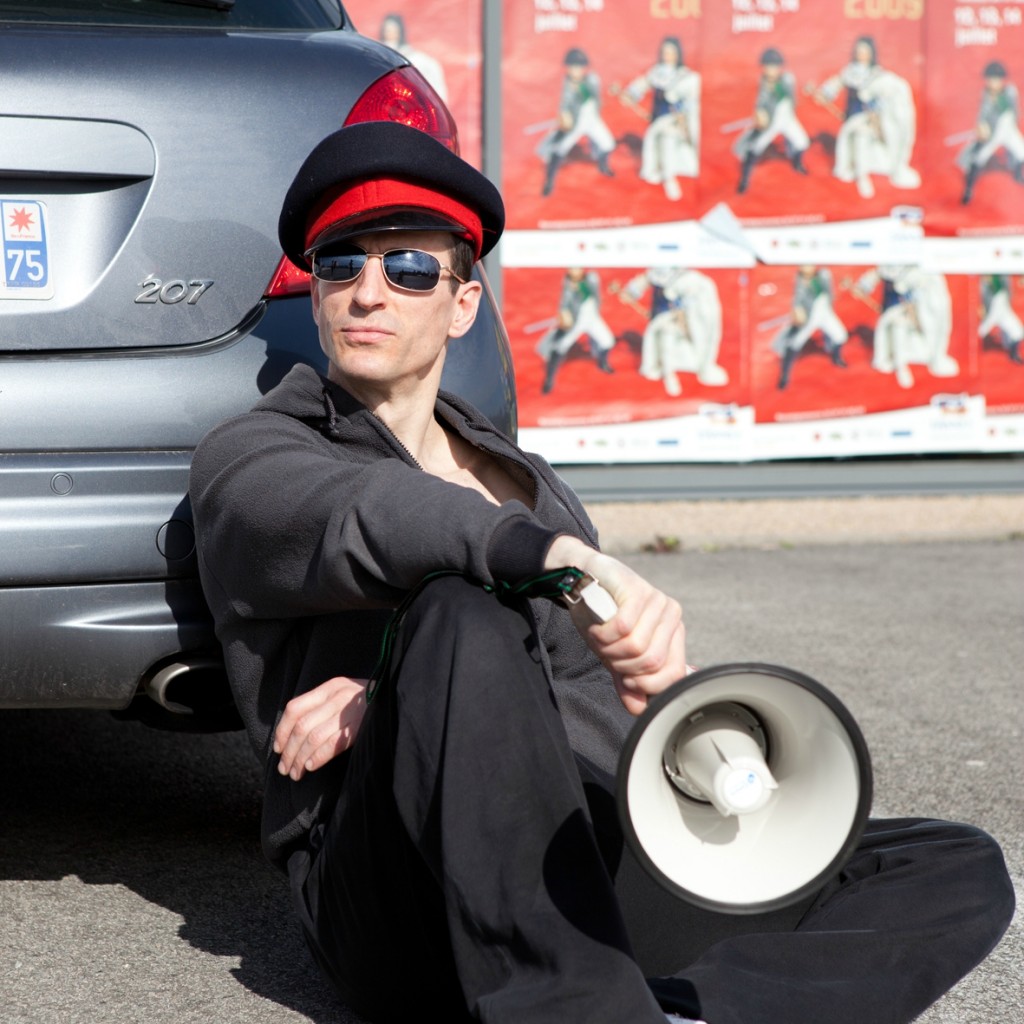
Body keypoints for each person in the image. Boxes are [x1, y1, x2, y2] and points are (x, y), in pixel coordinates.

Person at [190, 120, 1014, 1024]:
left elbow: (578, 688)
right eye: (340, 264)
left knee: (948, 863)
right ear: (315, 298)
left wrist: (672, 699)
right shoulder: (260, 452)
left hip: (576, 860)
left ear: (462, 303)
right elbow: (368, 521)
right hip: (398, 888)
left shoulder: (519, 477)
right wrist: (520, 584)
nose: (367, 292)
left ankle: (686, 1011)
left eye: (410, 268)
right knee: (459, 610)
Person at [814, 36, 920, 200]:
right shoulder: (849, 72)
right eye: (859, 51)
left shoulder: (877, 74)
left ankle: (863, 176)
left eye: (865, 51)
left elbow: (881, 100)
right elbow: (835, 85)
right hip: (852, 117)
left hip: (870, 119)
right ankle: (854, 171)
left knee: (863, 140)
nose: (861, 54)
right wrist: (824, 94)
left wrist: (877, 120)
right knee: (854, 139)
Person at [621, 267, 728, 397]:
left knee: (669, 344)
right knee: (662, 342)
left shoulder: (685, 278)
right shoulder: (657, 272)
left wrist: (682, 319)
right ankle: (666, 373)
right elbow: (644, 281)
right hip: (660, 315)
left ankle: (670, 374)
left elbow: (684, 301)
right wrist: (630, 292)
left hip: (676, 318)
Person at [620, 36, 701, 202]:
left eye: (671, 52)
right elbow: (641, 86)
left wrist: (683, 120)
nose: (668, 55)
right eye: (665, 52)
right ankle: (657, 171)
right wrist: (630, 95)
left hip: (674, 121)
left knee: (668, 140)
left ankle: (669, 178)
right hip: (658, 120)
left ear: (678, 53)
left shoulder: (685, 76)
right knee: (654, 142)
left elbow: (690, 102)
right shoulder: (656, 72)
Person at [538, 47, 617, 196]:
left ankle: (603, 165)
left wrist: (582, 86)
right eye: (573, 66)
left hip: (592, 118)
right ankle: (549, 181)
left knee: (608, 143)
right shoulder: (566, 84)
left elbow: (595, 93)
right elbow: (564, 103)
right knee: (560, 147)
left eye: (579, 67)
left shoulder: (591, 79)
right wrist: (564, 115)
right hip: (577, 121)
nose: (576, 70)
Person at [733, 47, 810, 195]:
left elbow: (790, 92)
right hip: (772, 121)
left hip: (788, 119)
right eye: (768, 66)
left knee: (802, 142)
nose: (771, 70)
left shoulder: (787, 78)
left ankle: (797, 163)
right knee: (755, 147)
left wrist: (777, 86)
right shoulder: (763, 83)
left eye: (774, 66)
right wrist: (760, 114)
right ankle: (744, 179)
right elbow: (760, 103)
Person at [537, 267, 617, 395]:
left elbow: (595, 292)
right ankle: (549, 379)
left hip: (593, 318)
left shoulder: (591, 278)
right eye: (572, 269)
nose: (575, 271)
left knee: (608, 341)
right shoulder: (567, 284)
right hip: (577, 320)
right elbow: (564, 304)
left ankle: (602, 362)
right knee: (560, 346)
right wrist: (564, 314)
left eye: (578, 268)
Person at [772, 266, 848, 390]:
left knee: (840, 335)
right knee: (795, 343)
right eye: (804, 266)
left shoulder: (823, 274)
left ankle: (836, 357)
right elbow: (797, 299)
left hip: (825, 312)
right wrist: (797, 310)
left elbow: (831, 287)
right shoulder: (800, 281)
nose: (808, 268)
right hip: (810, 316)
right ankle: (784, 376)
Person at [958, 60, 1024, 205]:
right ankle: (968, 190)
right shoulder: (986, 95)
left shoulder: (1010, 91)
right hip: (994, 132)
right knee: (978, 158)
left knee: (1022, 152)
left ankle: (1019, 175)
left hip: (1009, 129)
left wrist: (997, 99)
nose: (993, 83)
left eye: (996, 79)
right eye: (990, 79)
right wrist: (981, 126)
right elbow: (982, 114)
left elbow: (1012, 108)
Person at [378, 12, 448, 103]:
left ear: (400, 32)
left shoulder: (417, 60)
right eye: (388, 30)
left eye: (394, 30)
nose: (391, 33)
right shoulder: (379, 56)